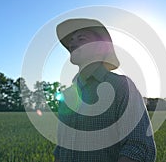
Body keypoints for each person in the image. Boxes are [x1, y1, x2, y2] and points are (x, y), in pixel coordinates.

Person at [53, 18, 156, 162]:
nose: (72, 43)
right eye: (71, 40)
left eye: (81, 38)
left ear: (101, 47)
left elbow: (138, 147)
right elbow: (61, 149)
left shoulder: (122, 86)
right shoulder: (67, 96)